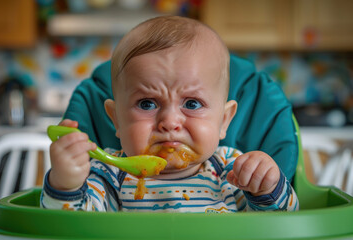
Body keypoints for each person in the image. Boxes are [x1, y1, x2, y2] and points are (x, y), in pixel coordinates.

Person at [41, 16, 299, 213]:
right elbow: (70, 224)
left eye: (193, 104)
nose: (170, 122)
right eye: (147, 104)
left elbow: (282, 221)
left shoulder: (232, 172)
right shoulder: (108, 175)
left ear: (224, 121)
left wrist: (267, 186)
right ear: (116, 119)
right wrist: (66, 184)